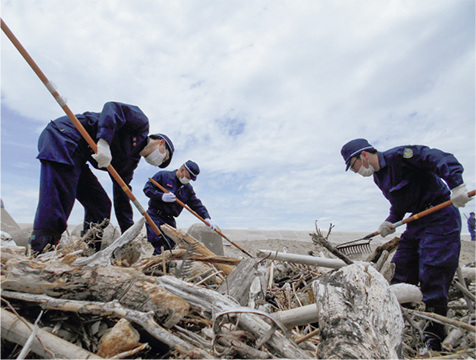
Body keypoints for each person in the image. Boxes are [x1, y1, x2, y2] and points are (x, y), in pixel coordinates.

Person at [341, 138, 472, 351]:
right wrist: (391, 220)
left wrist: (456, 184)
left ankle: (435, 334)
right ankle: (400, 323)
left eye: (353, 165)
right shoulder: (379, 178)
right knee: (400, 268)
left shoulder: (402, 156)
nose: (356, 172)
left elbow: (439, 158)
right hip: (417, 221)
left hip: (440, 215)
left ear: (363, 155)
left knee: (433, 272)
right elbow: (399, 204)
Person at [29, 101, 175, 253]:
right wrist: (104, 141)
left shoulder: (129, 162)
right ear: (161, 143)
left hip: (79, 156)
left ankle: (88, 250)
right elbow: (113, 108)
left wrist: (129, 236)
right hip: (65, 136)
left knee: (100, 205)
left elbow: (122, 196)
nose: (158, 161)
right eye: (164, 158)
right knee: (59, 198)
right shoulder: (140, 123)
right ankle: (41, 248)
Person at [143, 160, 216, 254]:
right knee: (161, 245)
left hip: (169, 220)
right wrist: (161, 196)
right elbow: (147, 189)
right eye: (188, 177)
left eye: (190, 179)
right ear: (182, 170)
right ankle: (156, 267)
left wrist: (206, 217)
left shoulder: (187, 189)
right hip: (155, 215)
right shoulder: (163, 176)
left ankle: (164, 267)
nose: (188, 180)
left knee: (171, 247)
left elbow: (196, 204)